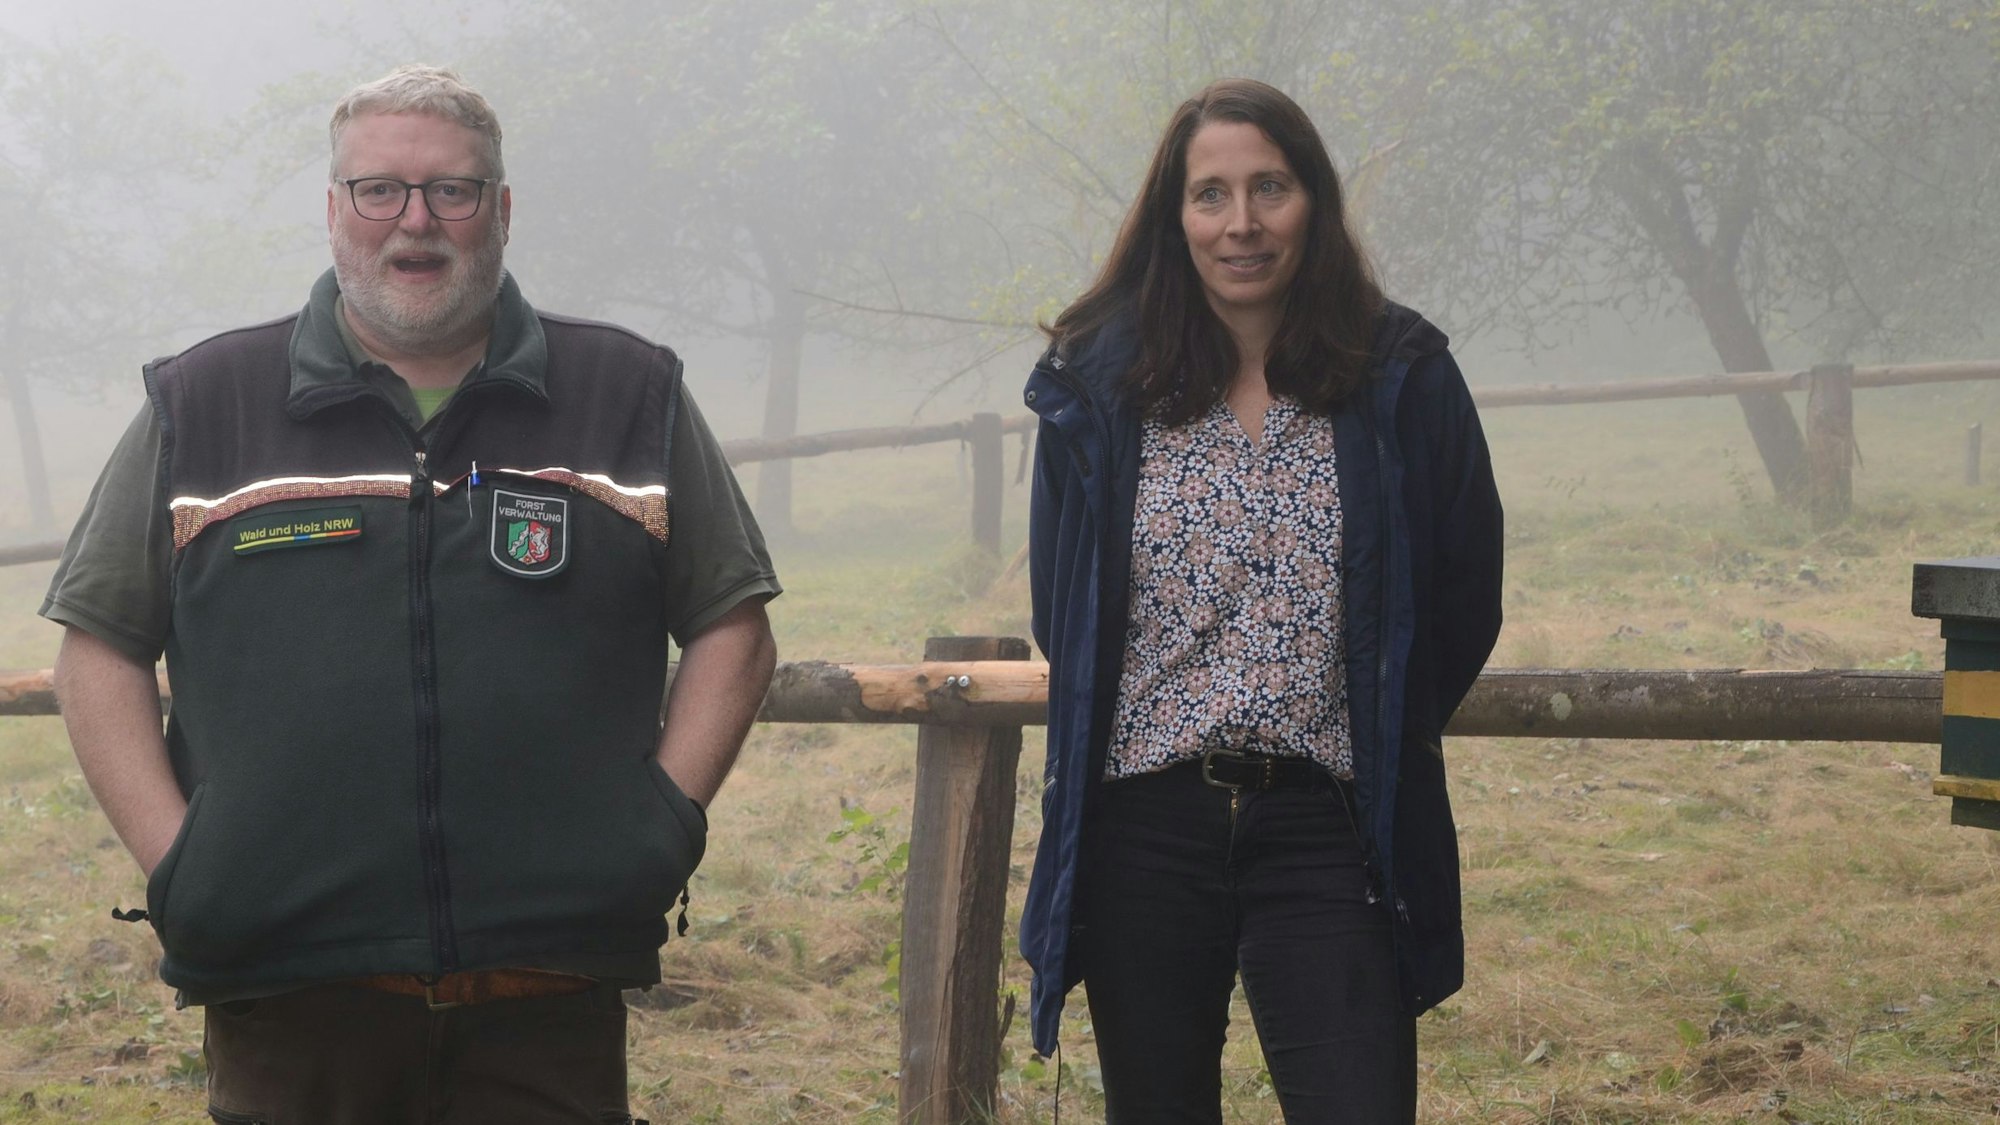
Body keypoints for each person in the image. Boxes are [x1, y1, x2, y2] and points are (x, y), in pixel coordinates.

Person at [40, 65, 780, 1124]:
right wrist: (185, 866)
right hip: (287, 990)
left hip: (548, 988)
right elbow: (98, 648)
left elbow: (733, 631)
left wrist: (655, 829)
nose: (414, 222)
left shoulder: (629, 391)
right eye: (377, 190)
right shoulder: (204, 402)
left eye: (452, 191)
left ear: (502, 211)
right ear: (334, 212)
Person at [1020, 78, 1503, 1123]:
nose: (1239, 223)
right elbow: (1062, 608)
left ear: (1312, 204)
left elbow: (1464, 596)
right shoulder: (1100, 390)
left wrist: (1377, 721)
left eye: (1268, 189)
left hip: (1326, 827)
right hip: (1141, 826)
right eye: (1209, 195)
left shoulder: (1397, 378)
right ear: (1173, 216)